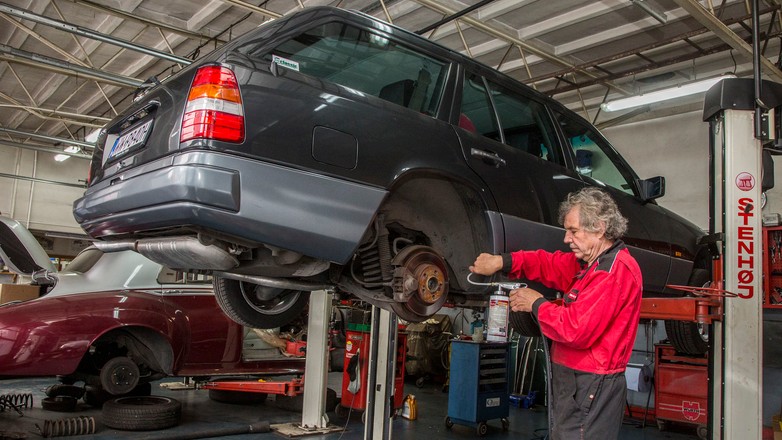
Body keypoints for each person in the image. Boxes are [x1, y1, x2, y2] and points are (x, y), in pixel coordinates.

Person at [469, 187, 642, 440]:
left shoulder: (613, 271)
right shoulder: (589, 265)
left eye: (573, 230)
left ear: (600, 228)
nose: (566, 238)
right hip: (574, 382)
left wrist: (536, 304)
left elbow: (575, 330)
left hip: (591, 384)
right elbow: (547, 263)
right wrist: (503, 262)